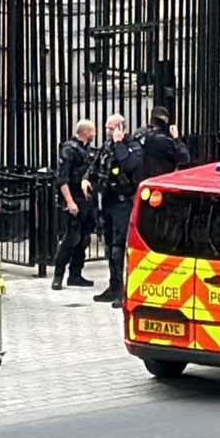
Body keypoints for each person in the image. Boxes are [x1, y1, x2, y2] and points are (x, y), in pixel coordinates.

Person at [90, 114, 143, 308]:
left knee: (119, 248)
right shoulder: (107, 145)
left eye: (111, 129)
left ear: (121, 129)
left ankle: (122, 291)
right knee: (110, 246)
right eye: (106, 128)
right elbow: (96, 164)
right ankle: (113, 286)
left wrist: (120, 143)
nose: (107, 132)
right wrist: (87, 178)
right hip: (108, 201)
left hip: (123, 203)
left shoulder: (133, 146)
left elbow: (129, 164)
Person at [52, 119, 97, 291]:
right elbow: (62, 179)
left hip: (86, 201)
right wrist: (70, 202)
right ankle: (58, 275)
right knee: (71, 239)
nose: (95, 134)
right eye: (93, 131)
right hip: (74, 199)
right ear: (85, 132)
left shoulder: (88, 150)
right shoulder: (69, 150)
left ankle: (75, 274)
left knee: (84, 239)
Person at [136, 106, 190, 181]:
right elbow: (185, 158)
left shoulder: (138, 133)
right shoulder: (164, 141)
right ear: (165, 122)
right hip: (159, 181)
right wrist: (176, 138)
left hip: (139, 181)